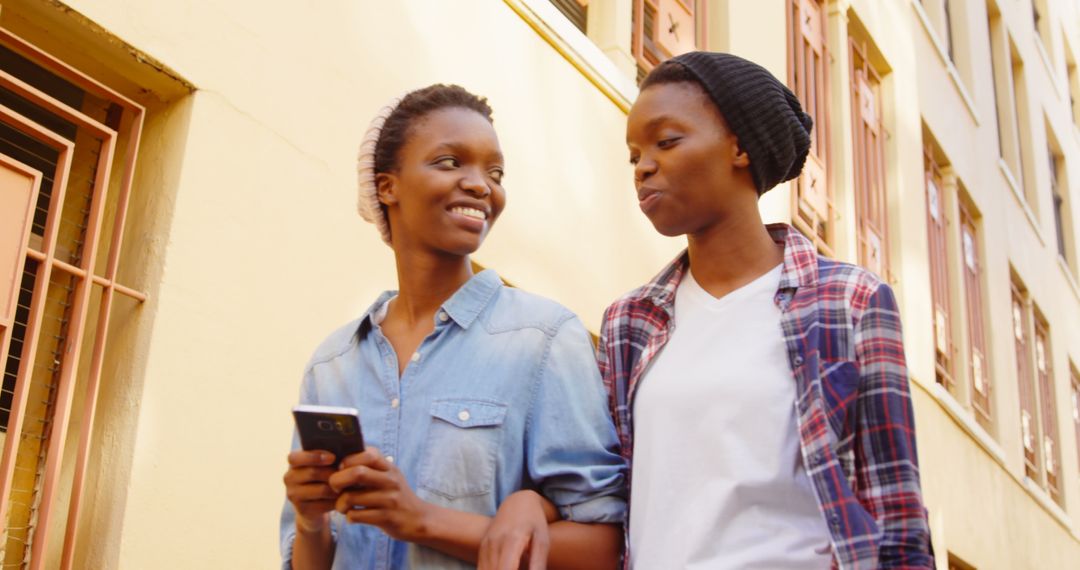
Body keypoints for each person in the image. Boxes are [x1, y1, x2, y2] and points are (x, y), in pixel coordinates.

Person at [603, 51, 934, 568]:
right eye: (634, 155)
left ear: (739, 146)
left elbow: (896, 511)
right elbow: (608, 497)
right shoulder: (629, 322)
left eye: (666, 142)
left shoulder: (851, 301)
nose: (644, 166)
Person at [280, 84, 625, 570]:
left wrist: (420, 520)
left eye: (495, 171)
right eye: (449, 162)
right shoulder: (333, 363)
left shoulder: (544, 339)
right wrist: (311, 519)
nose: (482, 184)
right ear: (387, 187)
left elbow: (603, 548)